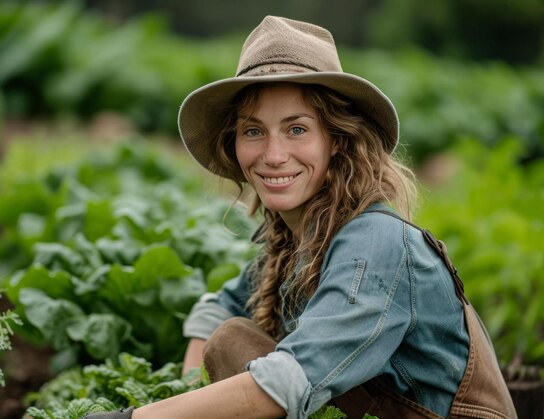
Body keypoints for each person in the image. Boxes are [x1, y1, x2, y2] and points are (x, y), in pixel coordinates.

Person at [85, 16, 517, 419]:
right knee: (231, 339)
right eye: (254, 131)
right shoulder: (297, 234)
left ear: (338, 140)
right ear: (234, 144)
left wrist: (134, 416)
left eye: (297, 129)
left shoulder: (376, 241)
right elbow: (222, 307)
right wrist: (182, 388)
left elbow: (290, 381)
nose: (273, 156)